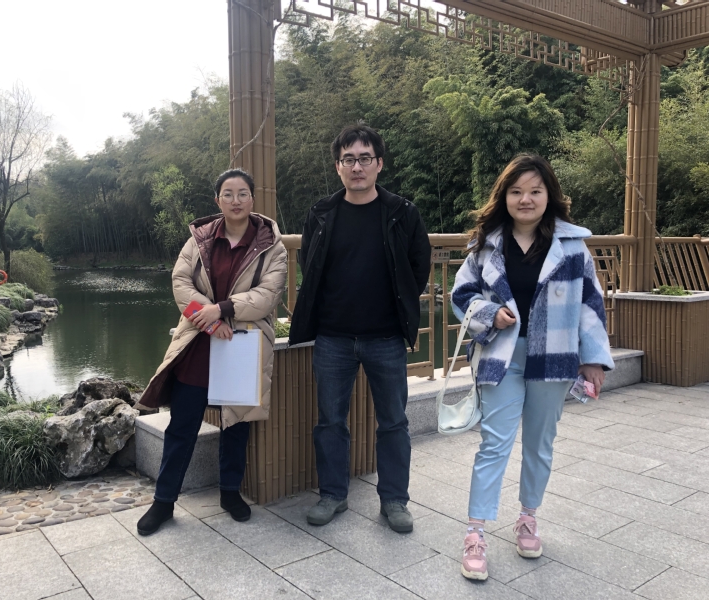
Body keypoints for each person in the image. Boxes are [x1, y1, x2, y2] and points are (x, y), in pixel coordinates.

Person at [450, 154, 614, 580]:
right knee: (494, 444)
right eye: (516, 191)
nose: (525, 199)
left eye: (535, 191)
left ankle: (527, 518)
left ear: (549, 196)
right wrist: (490, 314)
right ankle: (475, 532)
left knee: (540, 443)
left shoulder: (572, 246)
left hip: (554, 358)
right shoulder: (485, 245)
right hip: (500, 358)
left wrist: (593, 360)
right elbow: (461, 295)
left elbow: (590, 304)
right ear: (504, 196)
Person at [289, 124, 431, 533]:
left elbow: (418, 265)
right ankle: (333, 494)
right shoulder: (321, 213)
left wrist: (400, 306)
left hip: (385, 337)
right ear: (338, 166)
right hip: (333, 337)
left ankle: (395, 500)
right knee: (330, 421)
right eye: (348, 159)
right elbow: (309, 263)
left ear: (379, 163)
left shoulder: (402, 212)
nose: (357, 167)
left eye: (364, 158)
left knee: (394, 422)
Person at [135, 168, 287, 535]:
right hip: (199, 344)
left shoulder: (271, 245)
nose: (236, 200)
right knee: (182, 426)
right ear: (217, 200)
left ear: (253, 199)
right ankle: (164, 501)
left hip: (240, 344)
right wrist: (208, 319)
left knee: (236, 425)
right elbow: (180, 283)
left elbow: (268, 296)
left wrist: (223, 310)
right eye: (228, 194)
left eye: (242, 193)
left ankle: (230, 493)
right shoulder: (200, 239)